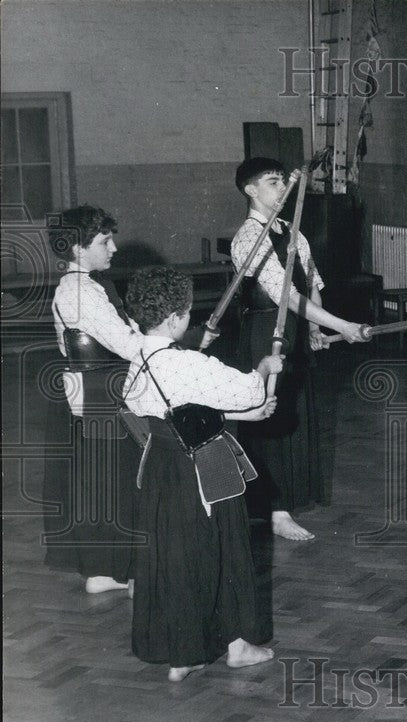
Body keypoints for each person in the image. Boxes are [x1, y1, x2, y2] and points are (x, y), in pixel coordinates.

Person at [123, 267, 280, 682]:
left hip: (161, 468)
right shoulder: (188, 363)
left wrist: (230, 411)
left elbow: (178, 409)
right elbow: (250, 390)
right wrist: (265, 367)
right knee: (224, 549)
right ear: (176, 318)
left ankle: (185, 653)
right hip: (203, 466)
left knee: (180, 557)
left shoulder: (136, 358)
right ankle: (237, 647)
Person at [230, 158, 367, 541]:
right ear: (251, 190)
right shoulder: (247, 237)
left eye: (282, 180)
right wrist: (345, 327)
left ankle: (286, 501)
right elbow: (284, 294)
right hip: (263, 333)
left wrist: (315, 328)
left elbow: (311, 284)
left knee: (294, 414)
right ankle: (273, 511)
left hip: (292, 330)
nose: (281, 188)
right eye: (273, 182)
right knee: (270, 420)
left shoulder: (293, 231)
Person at [45, 206, 143, 594]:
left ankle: (104, 570)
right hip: (103, 391)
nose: (114, 248)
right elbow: (125, 344)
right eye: (104, 241)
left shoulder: (84, 286)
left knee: (103, 481)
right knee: (120, 479)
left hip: (97, 390)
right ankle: (125, 571)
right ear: (78, 249)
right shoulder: (82, 292)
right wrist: (175, 342)